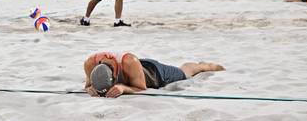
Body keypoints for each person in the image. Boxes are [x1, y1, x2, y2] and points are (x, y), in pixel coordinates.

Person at [84, 52, 225, 98]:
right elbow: (88, 84)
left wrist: (124, 88)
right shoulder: (91, 62)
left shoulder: (128, 61)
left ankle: (204, 65)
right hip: (137, 68)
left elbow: (142, 88)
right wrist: (89, 88)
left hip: (155, 74)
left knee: (186, 72)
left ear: (115, 75)